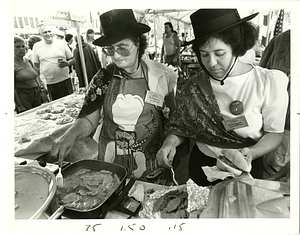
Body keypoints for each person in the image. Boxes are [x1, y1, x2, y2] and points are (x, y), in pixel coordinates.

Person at [156, 9, 289, 186]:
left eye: (219, 53)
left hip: (246, 164)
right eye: (204, 55)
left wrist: (252, 152)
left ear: (237, 47)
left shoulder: (267, 82)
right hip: (202, 165)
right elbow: (180, 127)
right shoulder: (193, 87)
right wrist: (169, 143)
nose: (211, 63)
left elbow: (275, 133)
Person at [51, 9, 178, 185]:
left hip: (152, 163)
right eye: (110, 50)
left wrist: (170, 142)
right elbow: (89, 119)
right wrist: (71, 135)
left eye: (122, 48)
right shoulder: (104, 77)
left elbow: (174, 117)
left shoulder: (161, 75)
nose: (116, 56)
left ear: (138, 43)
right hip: (111, 165)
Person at [32, 24, 75, 100]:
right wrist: (39, 83)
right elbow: (36, 67)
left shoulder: (61, 43)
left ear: (53, 32)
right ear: (40, 34)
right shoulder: (37, 46)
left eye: (49, 31)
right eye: (45, 32)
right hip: (50, 83)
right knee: (55, 106)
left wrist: (67, 63)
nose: (48, 34)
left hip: (65, 80)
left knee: (70, 102)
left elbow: (73, 59)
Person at [14, 36, 42, 113]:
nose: (22, 49)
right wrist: (19, 105)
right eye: (17, 47)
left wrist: (40, 88)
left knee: (40, 116)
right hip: (24, 97)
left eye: (23, 46)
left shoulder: (28, 61)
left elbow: (35, 76)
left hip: (36, 94)